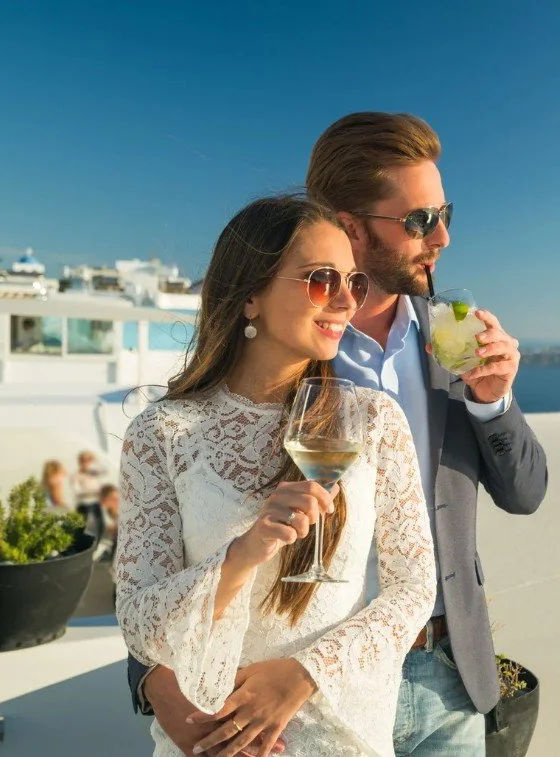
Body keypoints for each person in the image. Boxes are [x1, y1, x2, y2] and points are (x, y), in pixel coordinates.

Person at [128, 113, 548, 757]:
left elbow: (524, 493)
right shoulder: (271, 367)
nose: (442, 237)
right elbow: (165, 568)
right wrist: (161, 684)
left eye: (445, 214)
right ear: (352, 226)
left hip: (444, 669)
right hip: (266, 701)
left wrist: (495, 404)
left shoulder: (454, 339)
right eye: (418, 220)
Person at [115, 195, 436, 757]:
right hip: (213, 737)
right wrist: (243, 555)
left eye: (354, 283)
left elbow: (413, 590)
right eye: (320, 280)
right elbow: (141, 621)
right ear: (251, 296)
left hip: (339, 734)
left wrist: (303, 674)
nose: (345, 301)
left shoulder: (375, 419)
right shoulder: (162, 432)